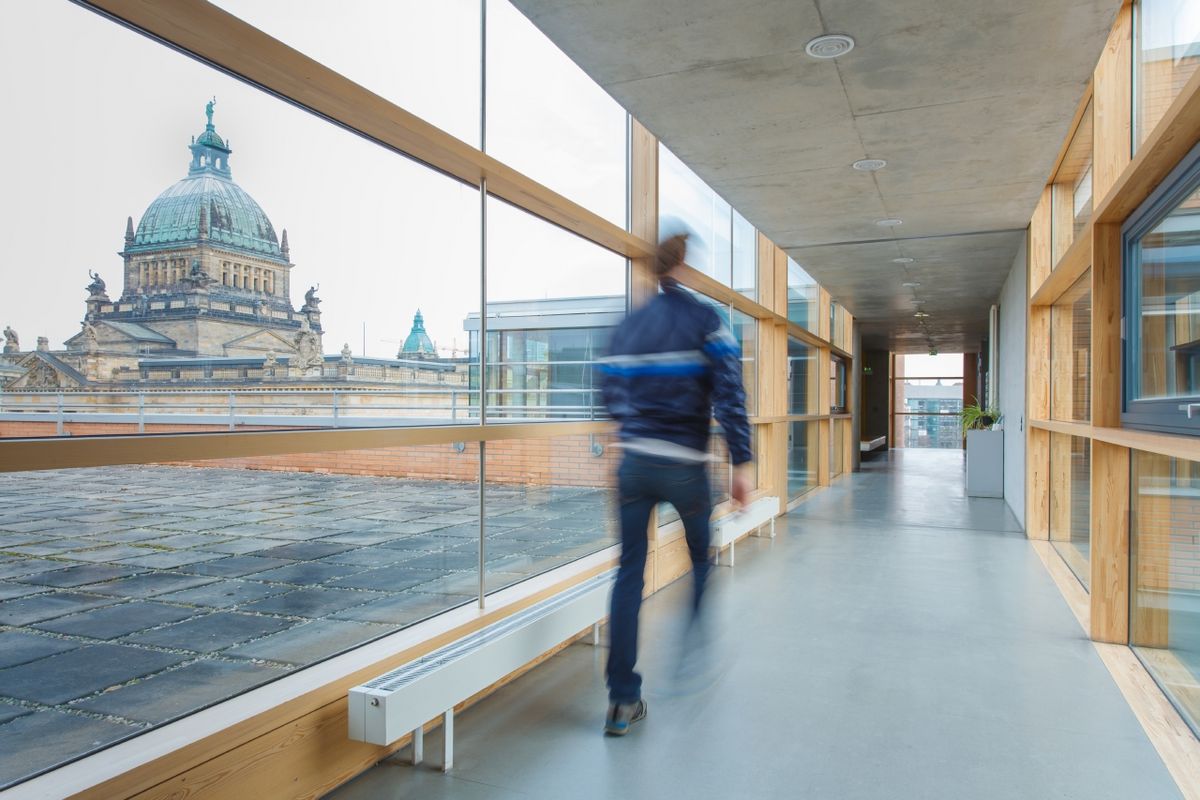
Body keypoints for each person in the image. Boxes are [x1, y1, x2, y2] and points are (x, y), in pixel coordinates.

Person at [597, 233, 752, 736]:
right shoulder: (707, 320)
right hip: (686, 466)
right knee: (702, 557)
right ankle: (692, 650)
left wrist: (625, 439)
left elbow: (608, 393)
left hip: (636, 465)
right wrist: (741, 463)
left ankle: (622, 699)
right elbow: (729, 391)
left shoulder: (628, 326)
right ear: (684, 267)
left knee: (629, 574)